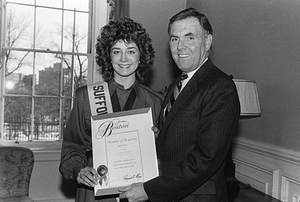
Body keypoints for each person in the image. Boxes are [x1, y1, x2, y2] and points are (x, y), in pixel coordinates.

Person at [119, 8, 240, 202]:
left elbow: (205, 160)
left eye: (189, 38)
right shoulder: (178, 84)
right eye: (174, 39)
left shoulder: (220, 87)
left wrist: (149, 190)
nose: (180, 46)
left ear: (207, 41)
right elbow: (179, 138)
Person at [59, 17, 163, 202]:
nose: (124, 59)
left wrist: (156, 141)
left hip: (139, 192)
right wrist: (79, 170)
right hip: (95, 191)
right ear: (108, 56)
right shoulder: (86, 97)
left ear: (141, 56)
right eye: (117, 51)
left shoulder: (155, 102)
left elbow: (168, 157)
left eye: (131, 51)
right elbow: (73, 147)